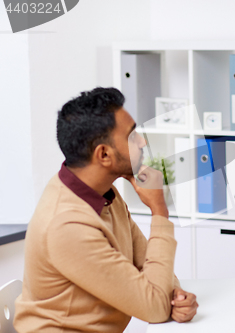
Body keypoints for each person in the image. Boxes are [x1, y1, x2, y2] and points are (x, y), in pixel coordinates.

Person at [14, 88, 198, 332]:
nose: (142, 142)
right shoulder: (67, 225)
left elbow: (146, 264)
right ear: (104, 154)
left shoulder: (103, 193)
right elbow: (154, 308)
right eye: (132, 136)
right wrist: (159, 210)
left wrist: (175, 296)